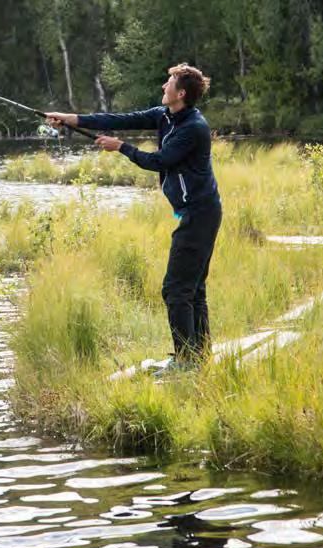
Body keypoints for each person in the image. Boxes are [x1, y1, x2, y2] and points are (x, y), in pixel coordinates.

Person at [46, 63, 222, 372]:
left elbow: (159, 161)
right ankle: (198, 357)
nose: (163, 87)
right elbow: (119, 120)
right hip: (198, 211)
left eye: (168, 83)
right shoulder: (165, 115)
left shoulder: (193, 127)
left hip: (201, 213)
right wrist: (71, 119)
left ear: (181, 93)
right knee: (192, 288)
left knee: (176, 289)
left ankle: (186, 362)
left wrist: (121, 148)